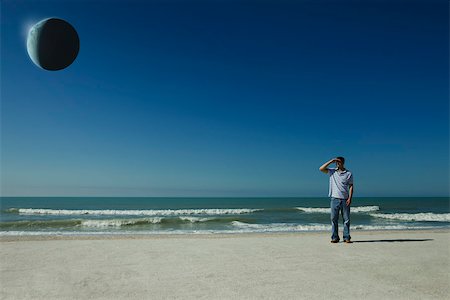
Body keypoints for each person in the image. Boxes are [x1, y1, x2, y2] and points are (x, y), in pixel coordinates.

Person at [319, 157, 354, 243]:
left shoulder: (348, 173)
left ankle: (346, 237)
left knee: (346, 220)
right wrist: (331, 161)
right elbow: (321, 168)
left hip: (345, 199)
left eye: (339, 162)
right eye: (336, 162)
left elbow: (351, 186)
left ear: (343, 162)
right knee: (334, 219)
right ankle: (335, 237)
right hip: (334, 198)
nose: (337, 163)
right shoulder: (332, 171)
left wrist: (350, 198)